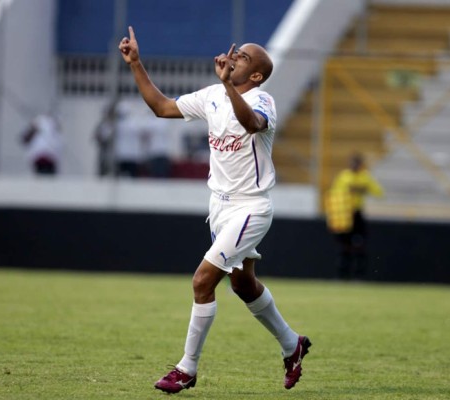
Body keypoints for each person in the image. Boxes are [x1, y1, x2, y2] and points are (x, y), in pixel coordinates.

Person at [119, 26, 311, 394]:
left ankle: (186, 369)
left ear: (255, 75)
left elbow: (251, 123)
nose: (234, 56)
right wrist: (136, 63)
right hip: (219, 209)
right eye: (235, 53)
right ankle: (292, 345)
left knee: (202, 281)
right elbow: (161, 107)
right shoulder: (211, 96)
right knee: (243, 284)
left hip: (250, 208)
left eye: (243, 57)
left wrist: (226, 86)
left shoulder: (262, 99)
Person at [325, 153, 384, 280]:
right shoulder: (344, 176)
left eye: (356, 163)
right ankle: (342, 275)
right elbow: (335, 194)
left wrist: (364, 189)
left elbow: (379, 192)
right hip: (345, 214)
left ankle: (359, 275)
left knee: (360, 245)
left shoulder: (365, 177)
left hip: (357, 213)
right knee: (344, 246)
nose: (354, 166)